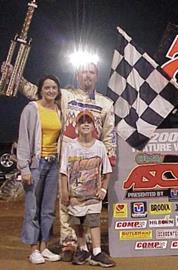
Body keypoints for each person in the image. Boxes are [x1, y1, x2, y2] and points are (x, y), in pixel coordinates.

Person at [7, 62, 116, 261]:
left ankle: (90, 245)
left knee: (90, 204)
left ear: (97, 76)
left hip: (91, 161)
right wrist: (16, 75)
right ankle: (69, 244)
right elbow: (35, 92)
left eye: (91, 72)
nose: (87, 76)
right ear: (77, 75)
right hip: (65, 159)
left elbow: (109, 135)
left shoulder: (106, 103)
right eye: (83, 72)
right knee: (66, 202)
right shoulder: (65, 95)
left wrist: (109, 158)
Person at [60, 110, 115, 267]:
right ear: (77, 126)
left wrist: (103, 189)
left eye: (88, 121)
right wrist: (64, 191)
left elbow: (107, 171)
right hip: (75, 195)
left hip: (93, 196)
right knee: (77, 222)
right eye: (82, 121)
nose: (85, 124)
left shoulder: (100, 146)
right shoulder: (71, 147)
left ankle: (96, 252)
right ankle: (83, 249)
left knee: (93, 222)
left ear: (93, 125)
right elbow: (64, 171)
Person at [17, 74, 62, 264]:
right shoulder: (32, 109)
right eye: (47, 88)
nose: (51, 90)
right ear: (40, 90)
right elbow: (24, 139)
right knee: (32, 208)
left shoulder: (59, 110)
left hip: (54, 164)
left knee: (48, 209)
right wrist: (24, 168)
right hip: (36, 164)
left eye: (54, 87)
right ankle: (33, 248)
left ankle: (44, 247)